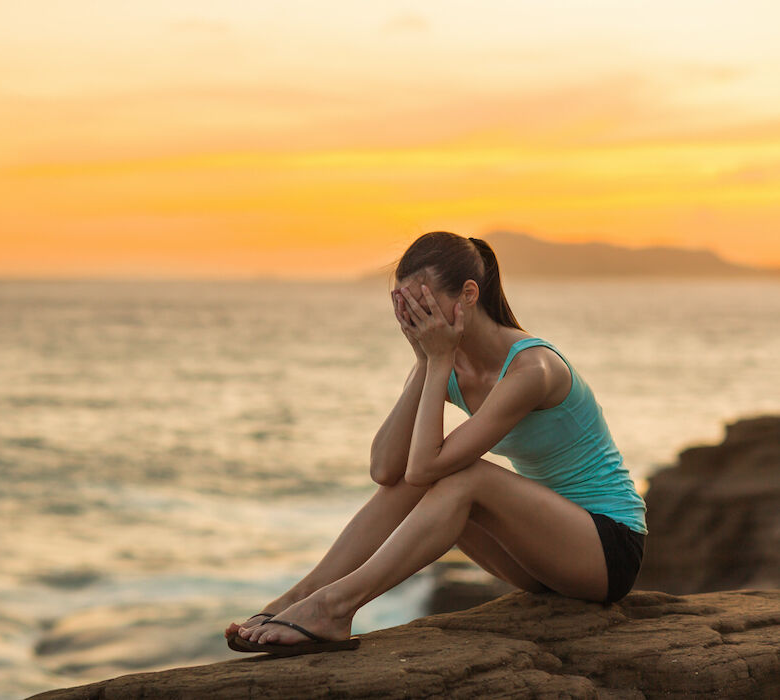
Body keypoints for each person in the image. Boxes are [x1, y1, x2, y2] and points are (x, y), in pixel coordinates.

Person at [225, 231, 647, 656]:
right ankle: (301, 596)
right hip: (538, 556)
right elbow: (387, 471)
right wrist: (426, 363)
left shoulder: (532, 369)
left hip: (605, 550)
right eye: (405, 307)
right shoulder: (446, 361)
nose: (415, 318)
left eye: (424, 304)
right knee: (427, 475)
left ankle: (334, 606)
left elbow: (427, 468)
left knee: (465, 475)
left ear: (467, 294)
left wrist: (439, 360)